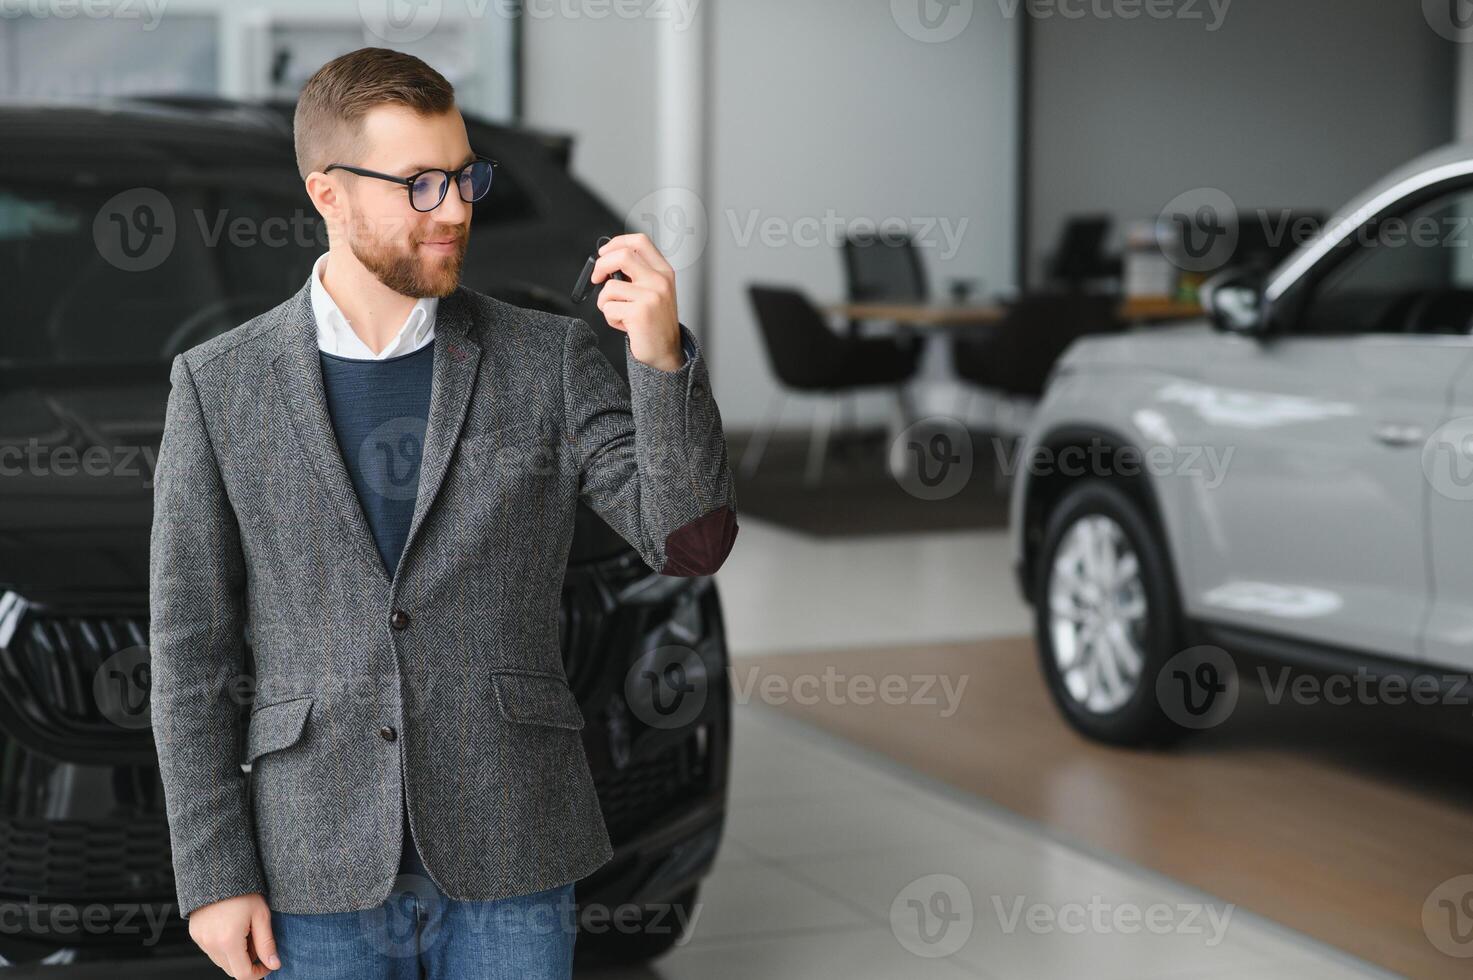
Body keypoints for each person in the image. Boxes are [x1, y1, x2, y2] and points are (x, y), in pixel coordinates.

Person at [148, 46, 738, 980]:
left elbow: (690, 541)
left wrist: (660, 361)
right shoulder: (220, 386)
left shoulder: (546, 360)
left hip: (512, 851)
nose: (455, 209)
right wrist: (213, 872)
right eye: (419, 184)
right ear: (327, 192)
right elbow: (192, 653)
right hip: (315, 857)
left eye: (464, 178)